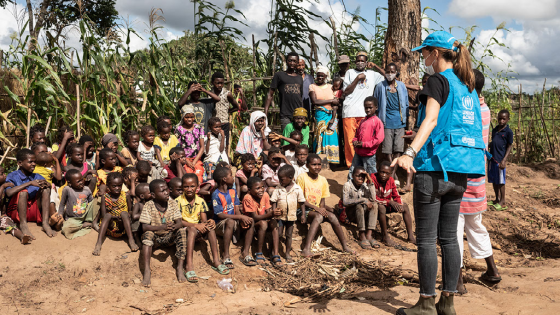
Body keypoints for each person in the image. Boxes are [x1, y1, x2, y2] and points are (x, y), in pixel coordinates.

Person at [393, 31, 485, 315]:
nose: (423, 58)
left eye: (424, 53)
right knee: (449, 239)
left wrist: (409, 153)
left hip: (433, 170)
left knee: (426, 240)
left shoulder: (438, 81)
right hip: (460, 173)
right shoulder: (468, 86)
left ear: (435, 53)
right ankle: (448, 302)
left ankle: (425, 302)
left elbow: (431, 119)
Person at [456, 69, 501, 295]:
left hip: (463, 176)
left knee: (454, 230)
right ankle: (492, 271)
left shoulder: (468, 110)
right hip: (478, 178)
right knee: (476, 225)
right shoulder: (485, 109)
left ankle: (457, 281)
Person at [297, 154, 354, 257]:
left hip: (316, 209)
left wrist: (322, 209)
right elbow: (300, 199)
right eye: (314, 164)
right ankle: (306, 249)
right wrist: (316, 209)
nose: (317, 167)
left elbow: (322, 200)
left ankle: (345, 246)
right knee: (318, 216)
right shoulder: (302, 178)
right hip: (302, 209)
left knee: (332, 216)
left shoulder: (323, 180)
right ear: (307, 165)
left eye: (319, 164)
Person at [178, 173, 229, 283]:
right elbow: (178, 222)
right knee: (192, 229)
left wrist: (208, 222)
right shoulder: (178, 201)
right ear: (182, 187)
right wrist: (196, 225)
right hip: (184, 231)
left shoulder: (200, 201)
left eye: (192, 186)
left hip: (197, 230)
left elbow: (204, 220)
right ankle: (189, 265)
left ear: (197, 186)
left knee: (210, 227)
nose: (189, 189)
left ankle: (216, 261)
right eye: (186, 186)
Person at [140, 179, 187, 286]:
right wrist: (162, 227)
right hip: (155, 238)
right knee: (148, 234)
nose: (167, 192)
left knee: (181, 231)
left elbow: (180, 223)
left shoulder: (172, 203)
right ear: (153, 195)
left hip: (168, 237)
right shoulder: (149, 205)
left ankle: (180, 267)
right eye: (162, 191)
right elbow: (144, 227)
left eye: (167, 189)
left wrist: (173, 227)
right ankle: (147, 270)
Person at [342, 52, 385, 167]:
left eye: (363, 61)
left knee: (364, 140)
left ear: (366, 63)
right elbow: (346, 91)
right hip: (349, 112)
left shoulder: (372, 74)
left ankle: (362, 164)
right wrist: (357, 78)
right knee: (351, 141)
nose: (360, 63)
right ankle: (352, 166)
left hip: (365, 113)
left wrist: (375, 66)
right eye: (358, 61)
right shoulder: (350, 73)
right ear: (355, 62)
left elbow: (387, 76)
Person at [211, 166, 256, 269]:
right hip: (220, 224)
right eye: (231, 175)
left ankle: (245, 253)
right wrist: (239, 217)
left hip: (233, 220)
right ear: (224, 179)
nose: (233, 177)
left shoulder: (232, 192)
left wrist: (242, 217)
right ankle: (225, 255)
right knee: (230, 222)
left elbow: (236, 208)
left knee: (250, 220)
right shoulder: (216, 194)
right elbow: (220, 215)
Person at [5, 149, 53, 238]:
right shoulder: (12, 176)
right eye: (30, 162)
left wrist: (48, 184)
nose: (34, 164)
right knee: (23, 193)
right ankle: (23, 225)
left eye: (35, 162)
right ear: (20, 163)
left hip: (33, 211)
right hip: (17, 212)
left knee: (46, 190)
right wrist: (30, 183)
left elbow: (48, 185)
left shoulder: (36, 176)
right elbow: (8, 192)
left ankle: (45, 223)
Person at [375, 63, 409, 186]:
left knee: (398, 149)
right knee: (388, 150)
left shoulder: (402, 86)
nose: (390, 74)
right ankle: (393, 175)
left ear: (396, 72)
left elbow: (406, 104)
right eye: (388, 71)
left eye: (392, 71)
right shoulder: (380, 86)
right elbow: (376, 103)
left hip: (400, 122)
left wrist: (406, 121)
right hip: (386, 122)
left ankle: (393, 173)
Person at [92, 172, 137, 255]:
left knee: (124, 213)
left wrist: (126, 215)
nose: (117, 188)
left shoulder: (126, 195)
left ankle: (131, 240)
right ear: (108, 186)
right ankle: (98, 243)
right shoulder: (104, 197)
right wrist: (114, 217)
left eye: (119, 185)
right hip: (110, 227)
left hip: (122, 227)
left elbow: (130, 210)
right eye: (114, 186)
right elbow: (103, 214)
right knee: (107, 215)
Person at [242, 177, 283, 267]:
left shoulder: (265, 195)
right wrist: (271, 214)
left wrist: (275, 214)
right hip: (251, 225)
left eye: (262, 187)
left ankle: (275, 254)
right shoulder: (247, 198)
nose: (261, 190)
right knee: (263, 223)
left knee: (273, 222)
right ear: (249, 190)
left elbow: (268, 212)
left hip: (262, 221)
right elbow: (255, 217)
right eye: (257, 188)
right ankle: (259, 252)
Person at [270, 165, 307, 263]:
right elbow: (273, 201)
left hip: (291, 216)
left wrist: (303, 214)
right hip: (279, 217)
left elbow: (302, 202)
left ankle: (287, 254)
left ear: (290, 177)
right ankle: (275, 252)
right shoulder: (278, 188)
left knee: (289, 235)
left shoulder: (297, 189)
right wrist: (274, 213)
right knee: (278, 233)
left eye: (281, 179)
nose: (280, 181)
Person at [372, 161, 415, 246]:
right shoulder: (372, 179)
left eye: (387, 173)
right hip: (373, 208)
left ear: (391, 174)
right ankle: (385, 237)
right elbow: (372, 198)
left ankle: (411, 237)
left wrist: (399, 204)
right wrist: (390, 202)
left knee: (405, 206)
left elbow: (396, 195)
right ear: (378, 171)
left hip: (386, 205)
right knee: (381, 207)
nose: (384, 175)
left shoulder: (391, 180)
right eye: (382, 172)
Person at [264, 52, 304, 131]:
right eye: (290, 60)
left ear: (297, 62)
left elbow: (300, 97)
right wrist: (265, 113)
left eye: (294, 61)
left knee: (298, 139)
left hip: (298, 115)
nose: (292, 63)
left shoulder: (299, 78)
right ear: (286, 61)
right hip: (285, 114)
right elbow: (270, 95)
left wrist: (302, 114)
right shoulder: (279, 75)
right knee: (286, 139)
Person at [348, 96, 384, 180]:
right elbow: (357, 135)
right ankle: (350, 189)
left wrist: (363, 144)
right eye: (366, 107)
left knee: (371, 174)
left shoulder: (377, 122)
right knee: (353, 171)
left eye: (370, 107)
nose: (368, 110)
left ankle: (373, 191)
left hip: (369, 154)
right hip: (358, 152)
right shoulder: (363, 121)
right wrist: (355, 141)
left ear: (376, 107)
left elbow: (379, 139)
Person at [343, 167, 379, 249]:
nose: (360, 178)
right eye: (357, 176)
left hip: (362, 214)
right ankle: (361, 235)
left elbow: (373, 198)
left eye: (363, 176)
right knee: (359, 205)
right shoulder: (347, 185)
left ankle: (369, 234)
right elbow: (345, 202)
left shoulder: (365, 185)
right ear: (352, 176)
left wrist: (370, 180)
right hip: (351, 214)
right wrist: (363, 199)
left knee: (375, 204)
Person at [310, 66, 340, 164]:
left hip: (331, 115)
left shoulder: (331, 87)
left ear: (325, 76)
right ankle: (320, 160)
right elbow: (314, 101)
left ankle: (332, 161)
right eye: (318, 76)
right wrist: (331, 100)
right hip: (320, 115)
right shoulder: (312, 86)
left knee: (331, 135)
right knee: (320, 135)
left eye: (322, 76)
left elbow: (336, 104)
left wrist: (333, 117)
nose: (320, 78)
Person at [59, 169, 95, 239]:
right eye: (78, 181)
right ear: (70, 183)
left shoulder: (87, 189)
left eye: (82, 179)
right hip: (72, 219)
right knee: (66, 229)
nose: (81, 182)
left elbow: (91, 203)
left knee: (97, 200)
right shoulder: (67, 189)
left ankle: (88, 222)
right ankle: (84, 225)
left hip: (85, 217)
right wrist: (60, 215)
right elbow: (62, 204)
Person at [488, 110, 513, 211]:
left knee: (501, 181)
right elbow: (494, 142)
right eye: (499, 118)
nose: (501, 121)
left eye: (504, 119)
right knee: (494, 180)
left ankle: (502, 201)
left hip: (500, 160)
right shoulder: (495, 130)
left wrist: (504, 160)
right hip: (492, 159)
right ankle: (496, 199)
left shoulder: (508, 132)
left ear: (507, 119)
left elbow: (509, 146)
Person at [176, 105, 205, 184]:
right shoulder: (179, 129)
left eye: (192, 117)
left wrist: (194, 161)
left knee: (199, 177)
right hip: (184, 160)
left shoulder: (199, 128)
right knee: (188, 178)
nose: (189, 119)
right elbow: (178, 148)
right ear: (182, 117)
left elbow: (202, 147)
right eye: (187, 117)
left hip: (196, 159)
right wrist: (186, 161)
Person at [211, 72, 239, 152]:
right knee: (214, 143)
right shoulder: (210, 93)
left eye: (222, 83)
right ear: (213, 82)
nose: (220, 85)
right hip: (212, 124)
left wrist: (228, 111)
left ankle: (225, 161)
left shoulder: (227, 94)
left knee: (225, 143)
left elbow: (236, 107)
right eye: (217, 83)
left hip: (223, 123)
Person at [1, 180, 32, 244]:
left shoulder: (6, 187)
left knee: (11, 225)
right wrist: (2, 187)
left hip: (2, 217)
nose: (5, 175)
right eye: (2, 173)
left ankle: (22, 236)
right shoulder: (3, 187)